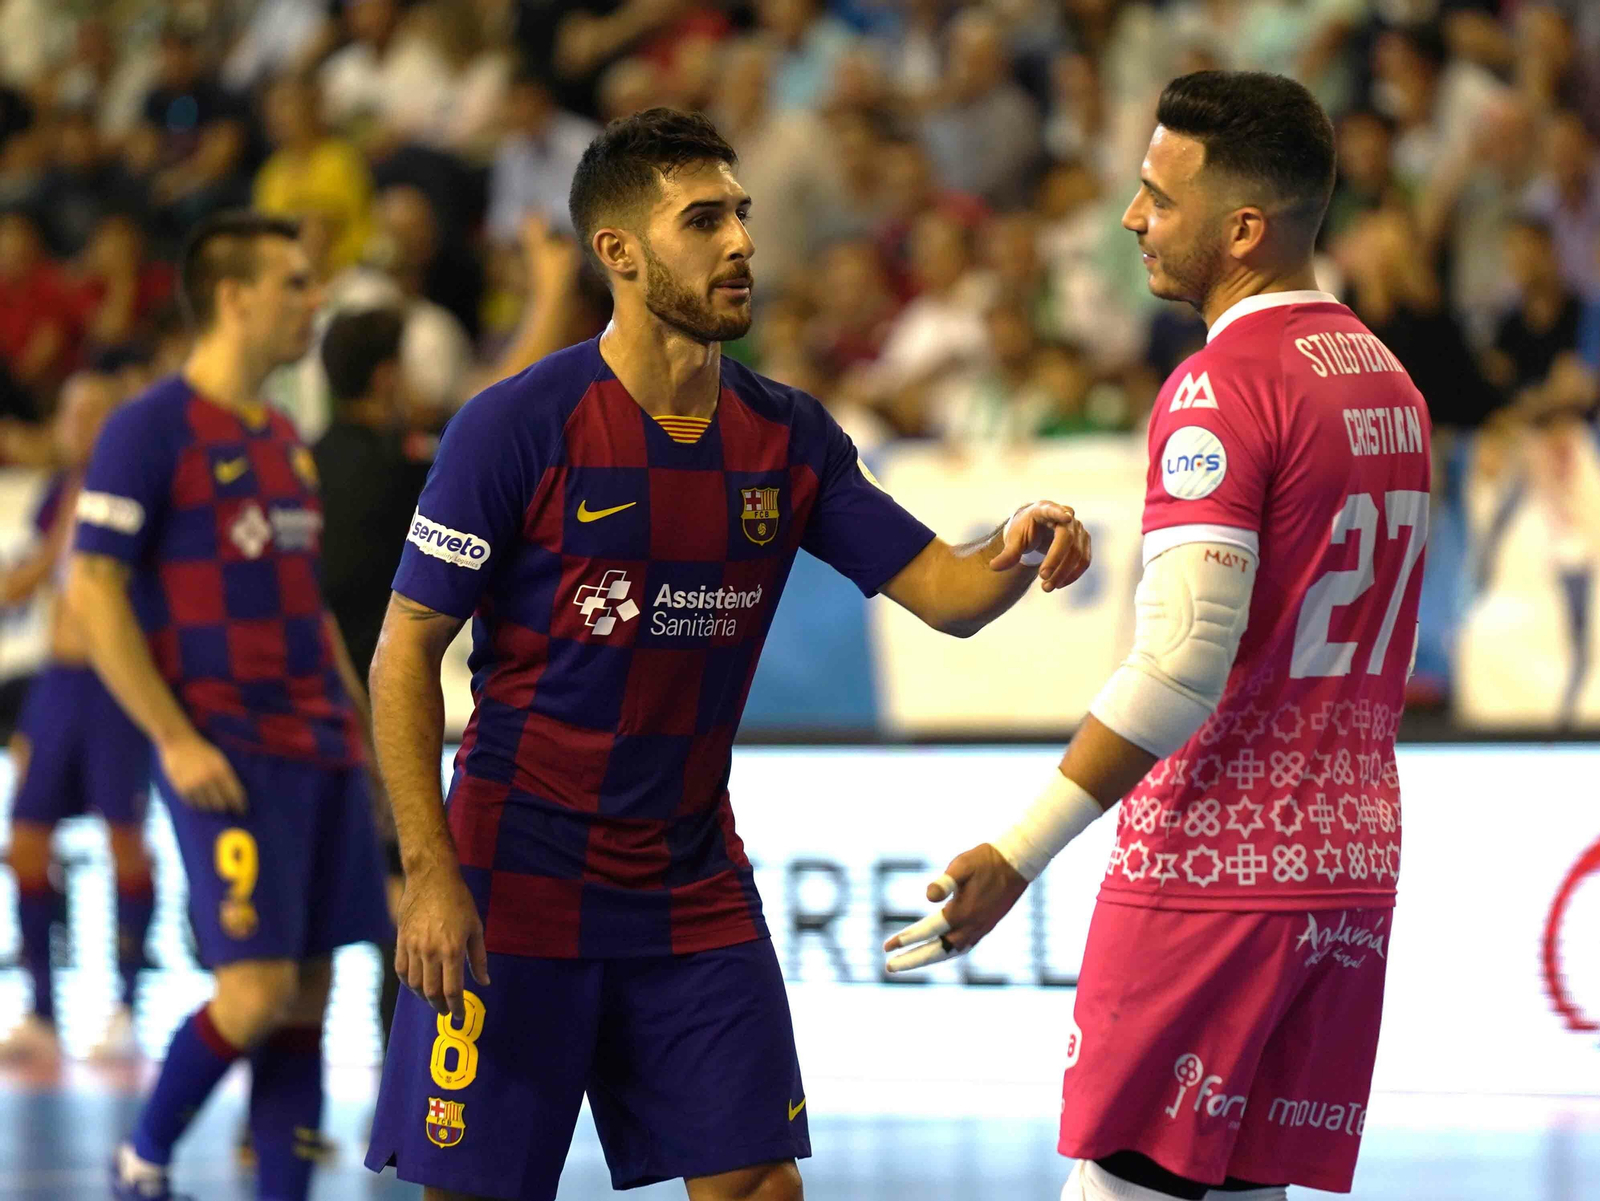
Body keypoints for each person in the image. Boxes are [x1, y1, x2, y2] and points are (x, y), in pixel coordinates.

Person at [362, 107, 1092, 1201]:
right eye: (703, 220)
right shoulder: (516, 426)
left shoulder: (786, 434)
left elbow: (945, 592)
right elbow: (403, 654)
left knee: (758, 1185)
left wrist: (1016, 542)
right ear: (619, 253)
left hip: (689, 881)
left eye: (741, 214)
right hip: (514, 878)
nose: (742, 241)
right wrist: (427, 875)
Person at [887, 71, 1432, 1201]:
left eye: (1156, 196)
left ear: (1243, 227)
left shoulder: (1219, 387)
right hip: (1345, 870)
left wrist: (1017, 851)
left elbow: (1182, 664)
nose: (1131, 217)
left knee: (1121, 1190)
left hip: (1212, 872)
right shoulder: (1389, 382)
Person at [68, 211, 391, 1201]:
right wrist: (171, 734)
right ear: (235, 294)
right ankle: (143, 1159)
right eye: (295, 281)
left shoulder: (283, 435)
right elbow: (91, 589)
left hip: (324, 748)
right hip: (232, 751)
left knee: (307, 992)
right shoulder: (149, 427)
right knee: (251, 992)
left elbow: (309, 609)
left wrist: (370, 748)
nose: (313, 299)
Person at [0, 371, 151, 1063]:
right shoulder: (60, 496)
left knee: (125, 839)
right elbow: (26, 585)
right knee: (26, 840)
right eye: (71, 412)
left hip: (116, 683)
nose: (79, 425)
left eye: (93, 412)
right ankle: (41, 1009)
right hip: (58, 681)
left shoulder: (139, 492)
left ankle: (123, 1003)